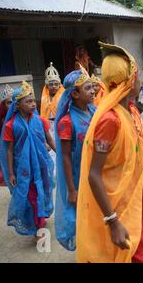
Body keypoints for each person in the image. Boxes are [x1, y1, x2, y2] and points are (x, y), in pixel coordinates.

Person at [76, 42, 143, 263]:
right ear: (131, 80)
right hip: (117, 209)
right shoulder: (109, 121)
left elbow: (141, 154)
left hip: (137, 200)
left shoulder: (132, 112)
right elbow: (93, 175)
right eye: (139, 76)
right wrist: (113, 221)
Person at [0, 81, 55, 237]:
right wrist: (10, 173)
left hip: (41, 164)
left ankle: (40, 217)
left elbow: (49, 140)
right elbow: (9, 150)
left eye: (33, 100)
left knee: (43, 190)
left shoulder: (41, 121)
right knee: (31, 196)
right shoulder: (11, 125)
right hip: (23, 168)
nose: (33, 104)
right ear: (18, 105)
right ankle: (38, 228)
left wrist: (60, 153)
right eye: (28, 101)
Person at [54, 69, 96, 251]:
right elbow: (64, 156)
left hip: (97, 173)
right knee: (83, 215)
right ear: (75, 93)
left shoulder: (95, 111)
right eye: (88, 88)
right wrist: (71, 189)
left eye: (93, 87)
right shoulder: (66, 121)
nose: (93, 91)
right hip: (79, 176)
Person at [40, 62, 65, 172]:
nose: (54, 86)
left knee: (62, 147)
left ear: (59, 84)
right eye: (51, 84)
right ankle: (54, 172)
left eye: (56, 83)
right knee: (51, 151)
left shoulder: (63, 96)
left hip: (61, 125)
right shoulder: (44, 98)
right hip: (48, 127)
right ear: (47, 85)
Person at [0, 85, 13, 186]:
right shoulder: (3, 121)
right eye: (8, 103)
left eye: (13, 102)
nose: (12, 105)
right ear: (3, 105)